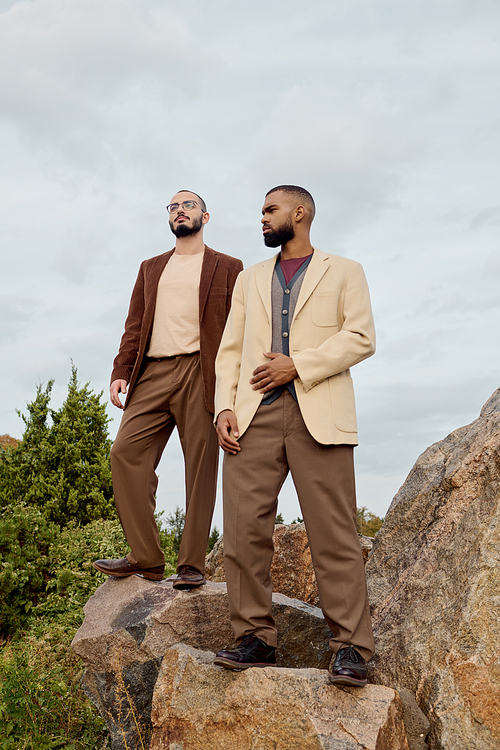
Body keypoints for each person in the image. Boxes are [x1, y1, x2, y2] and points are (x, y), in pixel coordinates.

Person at [213, 185, 375, 686]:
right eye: (262, 211)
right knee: (241, 533)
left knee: (335, 536)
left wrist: (297, 366)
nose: (262, 218)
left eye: (270, 209)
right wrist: (223, 405)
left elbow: (361, 336)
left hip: (319, 414)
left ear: (300, 213)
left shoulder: (346, 270)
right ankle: (255, 639)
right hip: (252, 415)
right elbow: (231, 349)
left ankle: (352, 649)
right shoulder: (249, 278)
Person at [93, 191, 243, 589]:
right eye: (173, 207)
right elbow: (134, 324)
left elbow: (237, 328)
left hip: (201, 370)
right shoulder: (150, 268)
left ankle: (192, 562)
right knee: (125, 454)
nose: (179, 211)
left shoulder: (229, 267)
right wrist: (120, 370)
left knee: (200, 465)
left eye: (188, 205)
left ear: (205, 216)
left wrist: (235, 387)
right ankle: (145, 556)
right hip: (152, 372)